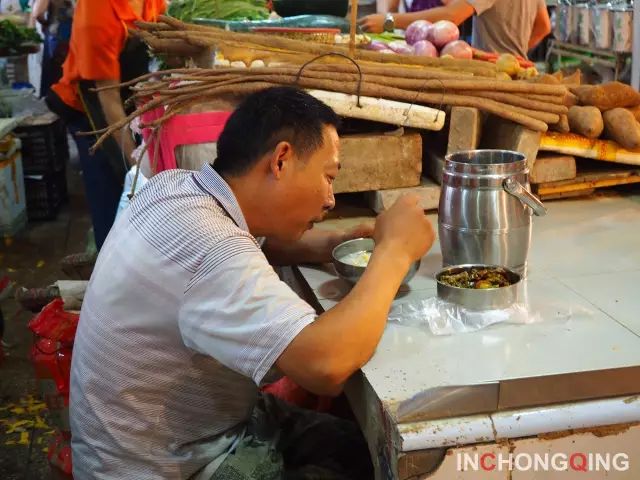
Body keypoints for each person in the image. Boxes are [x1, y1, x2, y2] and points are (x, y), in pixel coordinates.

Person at [69, 86, 435, 479]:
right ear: (281, 160)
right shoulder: (212, 250)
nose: (331, 199)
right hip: (167, 467)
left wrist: (332, 243)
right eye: (328, 177)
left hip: (182, 432)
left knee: (357, 446)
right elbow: (325, 366)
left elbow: (256, 241)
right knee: (379, 466)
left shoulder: (175, 187)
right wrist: (394, 252)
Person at [45, 0, 166, 250]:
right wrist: (136, 165)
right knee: (113, 197)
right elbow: (108, 98)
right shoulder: (97, 9)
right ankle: (110, 261)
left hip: (127, 100)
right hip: (93, 111)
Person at [359, 0, 551, 59]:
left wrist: (389, 21)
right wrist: (513, 56)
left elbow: (452, 16)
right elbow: (544, 27)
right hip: (519, 67)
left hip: (493, 74)